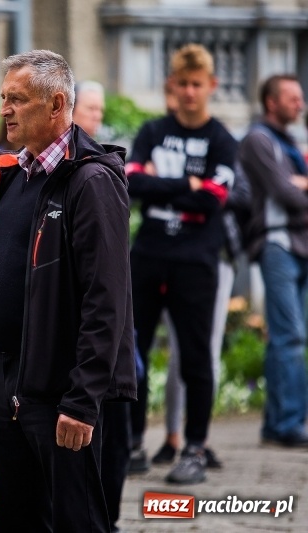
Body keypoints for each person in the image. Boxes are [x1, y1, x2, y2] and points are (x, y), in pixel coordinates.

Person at [0, 49, 136, 532]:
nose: (4, 110)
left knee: (77, 524)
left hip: (62, 399)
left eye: (17, 99)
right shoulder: (13, 176)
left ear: (56, 104)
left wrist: (82, 401)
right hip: (7, 392)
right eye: (3, 98)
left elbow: (107, 300)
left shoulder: (91, 181)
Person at [125, 43, 237, 484]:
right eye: (182, 84)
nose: (189, 92)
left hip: (196, 260)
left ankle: (194, 447)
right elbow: (132, 183)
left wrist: (164, 186)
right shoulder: (153, 130)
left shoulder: (222, 139)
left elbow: (214, 200)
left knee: (196, 358)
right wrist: (186, 182)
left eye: (197, 84)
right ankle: (132, 442)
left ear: (211, 86)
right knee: (132, 352)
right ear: (171, 85)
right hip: (148, 255)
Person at [73, 79, 131, 533]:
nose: (95, 117)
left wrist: (86, 392)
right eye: (90, 109)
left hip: (94, 364)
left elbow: (106, 292)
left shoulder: (94, 176)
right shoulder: (16, 167)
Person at [239, 74, 308, 448]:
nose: (300, 104)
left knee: (290, 338)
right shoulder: (258, 140)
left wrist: (301, 184)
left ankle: (277, 422)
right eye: (292, 98)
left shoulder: (290, 143)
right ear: (271, 102)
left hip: (301, 244)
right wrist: (297, 185)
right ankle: (289, 424)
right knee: (289, 336)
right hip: (277, 245)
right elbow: (286, 194)